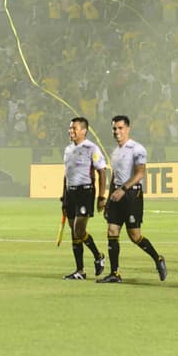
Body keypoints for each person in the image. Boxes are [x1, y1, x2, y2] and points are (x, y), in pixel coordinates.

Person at [97, 115, 167, 283]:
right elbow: (115, 175)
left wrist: (123, 189)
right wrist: (109, 197)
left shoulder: (137, 149)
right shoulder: (115, 152)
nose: (117, 131)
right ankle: (115, 273)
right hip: (117, 194)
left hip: (131, 195)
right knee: (112, 232)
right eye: (114, 128)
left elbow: (140, 173)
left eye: (120, 128)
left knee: (135, 235)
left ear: (128, 129)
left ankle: (158, 259)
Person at [61, 116, 108, 279]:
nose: (71, 131)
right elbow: (66, 175)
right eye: (70, 128)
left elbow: (102, 171)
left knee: (79, 230)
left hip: (85, 192)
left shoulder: (91, 148)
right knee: (74, 233)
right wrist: (64, 196)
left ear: (84, 130)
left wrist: (102, 196)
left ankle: (98, 255)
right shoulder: (68, 150)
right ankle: (80, 271)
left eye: (74, 128)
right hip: (71, 193)